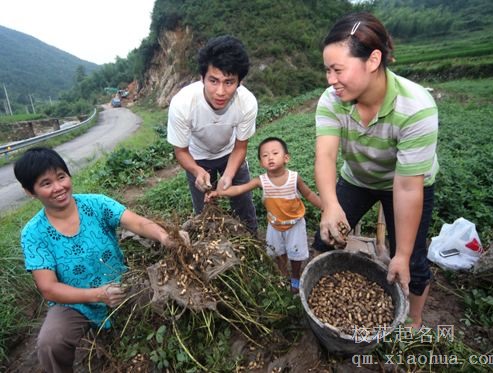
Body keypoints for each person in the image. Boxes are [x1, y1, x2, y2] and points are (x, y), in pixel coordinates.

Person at [313, 12, 438, 329]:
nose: (331, 80)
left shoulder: (416, 107)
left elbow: (409, 187)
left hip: (408, 184)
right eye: (328, 70)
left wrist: (402, 253)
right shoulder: (332, 100)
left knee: (411, 260)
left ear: (373, 59)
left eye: (338, 70)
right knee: (326, 237)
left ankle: (414, 320)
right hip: (357, 179)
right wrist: (330, 205)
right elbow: (325, 156)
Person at [13, 147, 189, 373]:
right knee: (50, 343)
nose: (58, 187)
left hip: (122, 285)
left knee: (165, 311)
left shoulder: (95, 204)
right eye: (46, 183)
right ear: (30, 191)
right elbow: (48, 288)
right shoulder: (34, 233)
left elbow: (136, 222)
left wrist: (165, 236)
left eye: (61, 177)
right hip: (74, 302)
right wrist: (97, 295)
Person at [167, 35, 258, 235]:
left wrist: (228, 175)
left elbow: (241, 146)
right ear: (202, 78)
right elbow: (181, 151)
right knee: (204, 213)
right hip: (197, 157)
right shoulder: (182, 104)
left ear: (239, 82)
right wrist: (197, 171)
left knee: (244, 206)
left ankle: (253, 243)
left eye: (229, 82)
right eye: (213, 81)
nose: (220, 91)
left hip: (230, 153)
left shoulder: (247, 103)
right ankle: (211, 248)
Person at [206, 137, 322, 293]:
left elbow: (308, 194)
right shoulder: (261, 181)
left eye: (275, 153)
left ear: (286, 157)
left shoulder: (294, 178)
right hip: (274, 226)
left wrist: (326, 207)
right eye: (265, 156)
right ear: (261, 163)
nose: (270, 157)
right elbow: (240, 189)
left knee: (296, 254)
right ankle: (283, 276)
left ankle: (295, 276)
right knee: (279, 253)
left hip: (295, 225)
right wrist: (219, 192)